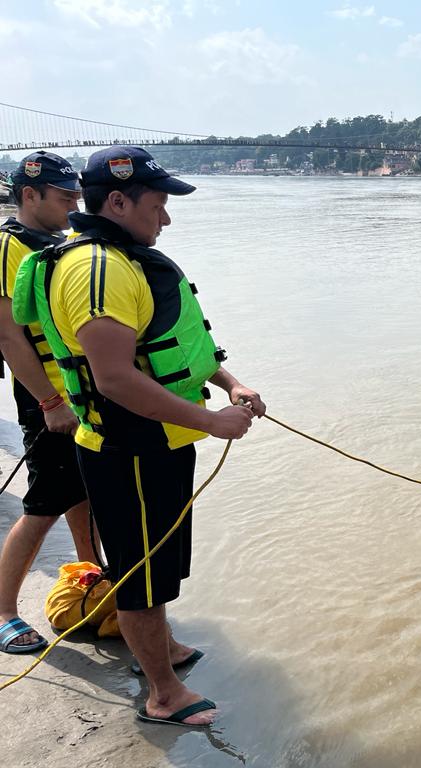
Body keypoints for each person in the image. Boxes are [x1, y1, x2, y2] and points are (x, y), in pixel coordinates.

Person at [17, 146, 265, 727]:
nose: (167, 219)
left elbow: (172, 350)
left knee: (158, 563)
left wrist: (230, 384)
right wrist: (212, 422)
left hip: (159, 444)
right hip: (129, 449)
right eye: (158, 206)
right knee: (139, 577)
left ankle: (164, 653)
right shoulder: (96, 270)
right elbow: (114, 379)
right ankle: (163, 695)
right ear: (120, 201)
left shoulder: (125, 259)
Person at [0, 151, 100, 655]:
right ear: (29, 195)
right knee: (42, 502)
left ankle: (90, 572)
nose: (72, 205)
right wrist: (49, 400)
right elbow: (9, 336)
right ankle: (3, 614)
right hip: (48, 395)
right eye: (64, 198)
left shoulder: (59, 243)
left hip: (79, 390)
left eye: (75, 196)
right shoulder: (7, 247)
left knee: (82, 490)